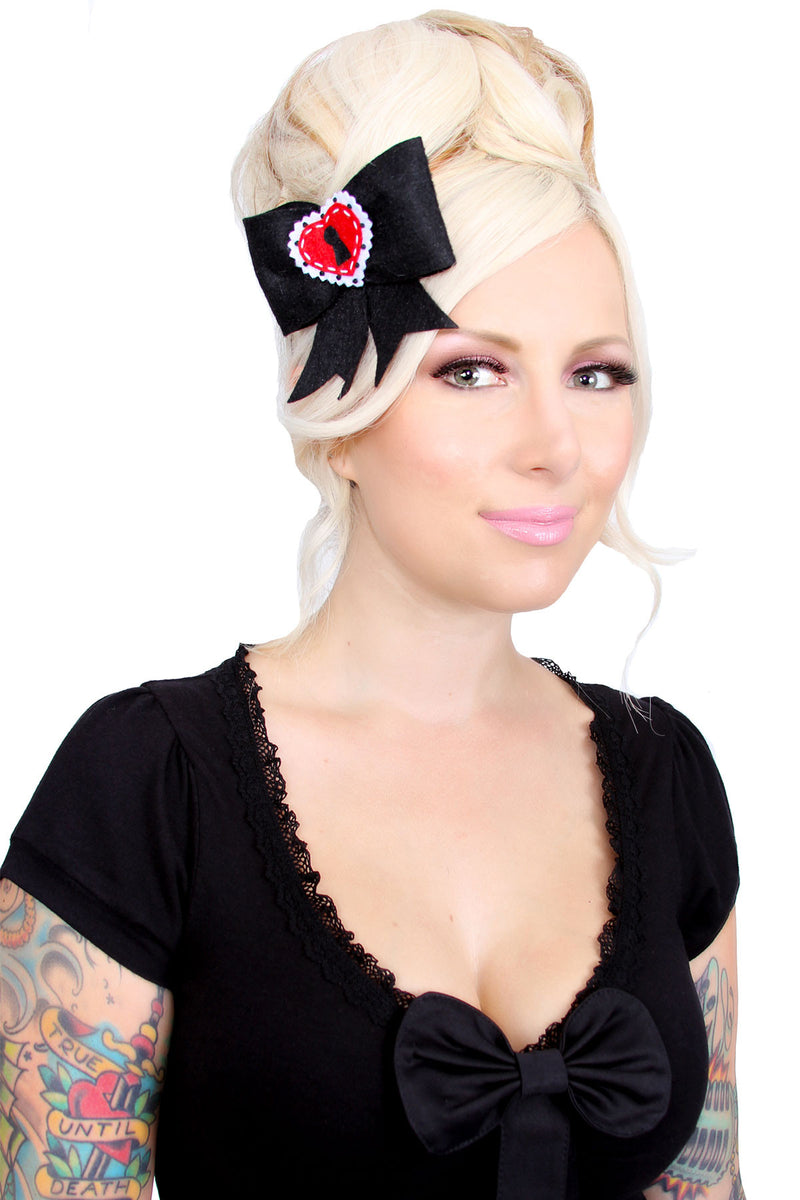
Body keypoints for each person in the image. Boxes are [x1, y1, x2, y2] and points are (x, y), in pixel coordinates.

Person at [0, 10, 742, 1199]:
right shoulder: (147, 787)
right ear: (338, 412)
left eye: (594, 373)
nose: (555, 444)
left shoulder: (667, 778)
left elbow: (704, 1183)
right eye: (471, 371)